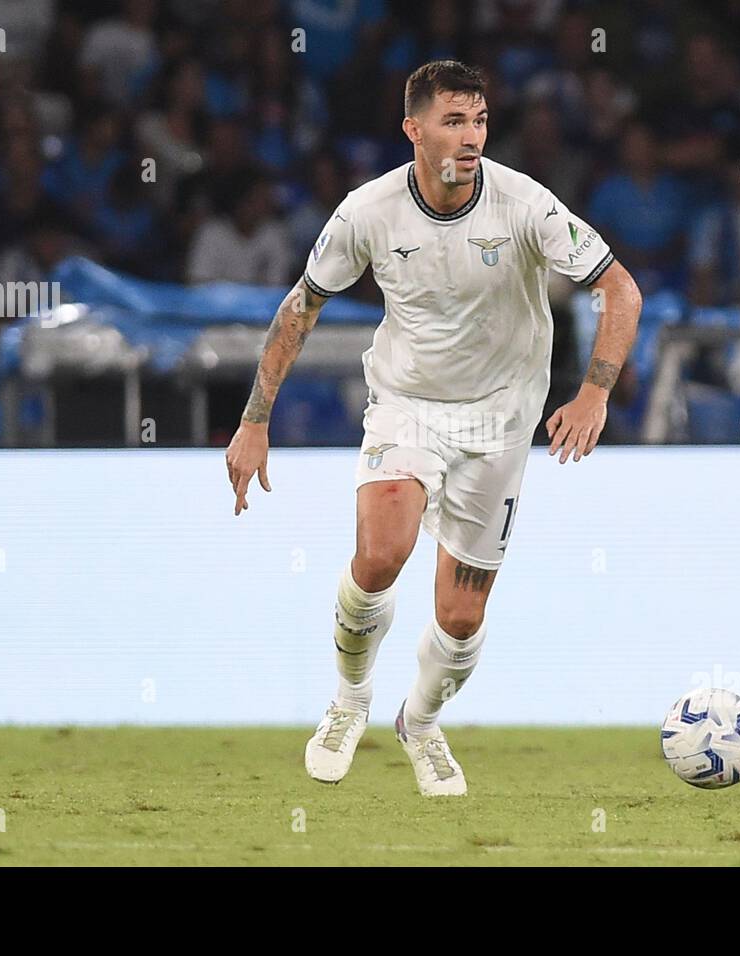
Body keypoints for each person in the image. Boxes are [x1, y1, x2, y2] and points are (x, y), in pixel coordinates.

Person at [223, 61, 642, 796]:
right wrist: (255, 421)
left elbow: (620, 288)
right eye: (454, 120)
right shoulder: (367, 211)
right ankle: (349, 701)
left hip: (502, 419)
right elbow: (301, 306)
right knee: (382, 553)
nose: (472, 136)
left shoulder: (525, 204)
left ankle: (418, 723)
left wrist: (595, 393)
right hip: (407, 405)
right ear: (413, 129)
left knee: (460, 613)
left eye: (479, 120)